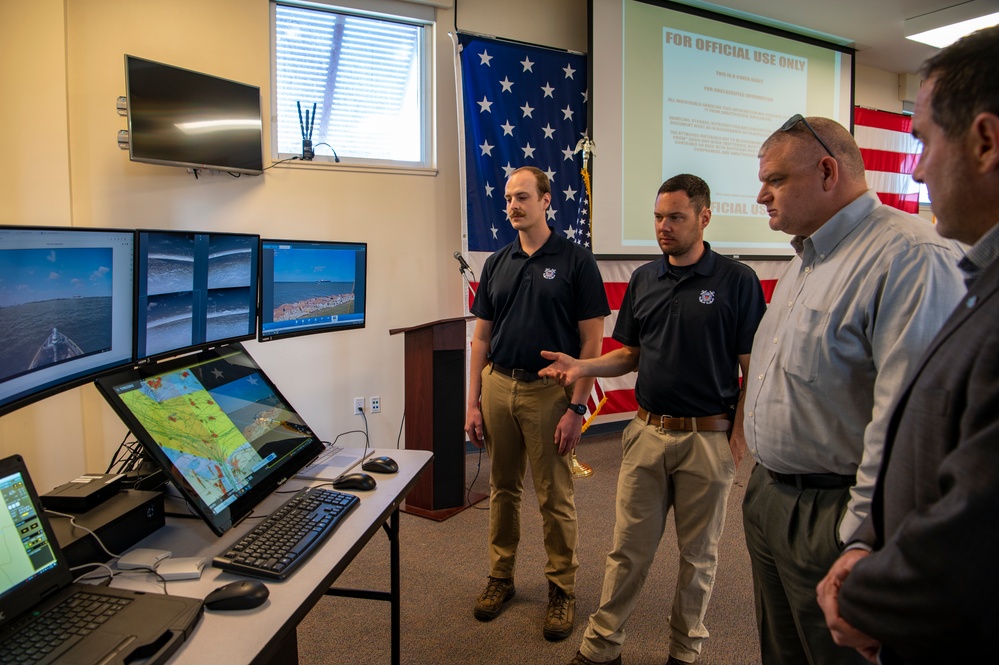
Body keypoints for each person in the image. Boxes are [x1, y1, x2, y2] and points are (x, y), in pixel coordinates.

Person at [741, 116, 966, 665]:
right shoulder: (806, 259)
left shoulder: (908, 255)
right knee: (784, 652)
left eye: (774, 180)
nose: (759, 195)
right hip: (771, 497)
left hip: (835, 513)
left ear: (826, 171)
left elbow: (906, 422)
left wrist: (862, 536)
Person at [817, 26, 999, 663]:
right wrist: (869, 542)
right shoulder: (984, 280)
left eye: (922, 142)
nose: (915, 169)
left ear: (984, 141)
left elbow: (979, 527)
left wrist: (867, 599)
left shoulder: (924, 260)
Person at [539, 174, 767, 665]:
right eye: (659, 217)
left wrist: (739, 439)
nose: (664, 227)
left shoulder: (736, 280)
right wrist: (583, 366)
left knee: (699, 557)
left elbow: (753, 369)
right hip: (645, 433)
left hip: (708, 439)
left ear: (704, 217)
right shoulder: (645, 278)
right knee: (627, 550)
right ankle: (603, 647)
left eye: (676, 217)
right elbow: (630, 357)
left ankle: (684, 652)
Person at [465, 165, 610, 641]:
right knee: (502, 489)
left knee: (554, 495)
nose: (513, 206)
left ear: (547, 200)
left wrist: (576, 408)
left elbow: (593, 343)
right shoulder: (497, 262)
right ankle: (501, 577)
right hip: (499, 388)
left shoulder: (575, 260)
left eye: (523, 197)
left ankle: (561, 589)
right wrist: (473, 401)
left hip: (551, 394)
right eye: (508, 198)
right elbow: (480, 337)